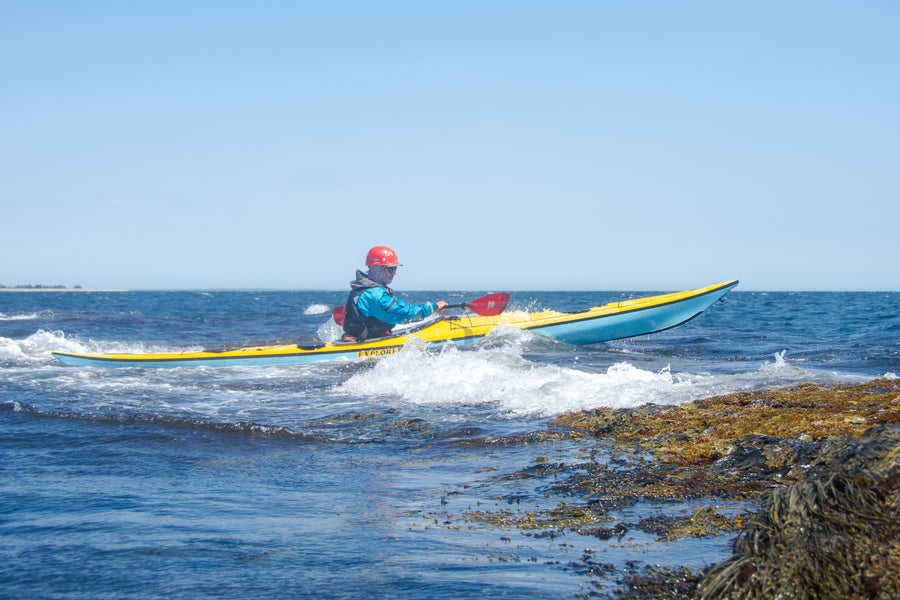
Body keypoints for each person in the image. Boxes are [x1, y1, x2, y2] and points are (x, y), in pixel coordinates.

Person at [341, 246, 448, 342]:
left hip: (365, 338)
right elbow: (404, 313)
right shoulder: (374, 294)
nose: (394, 273)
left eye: (395, 268)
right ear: (377, 270)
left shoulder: (364, 289)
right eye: (390, 269)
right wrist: (434, 307)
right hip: (364, 344)